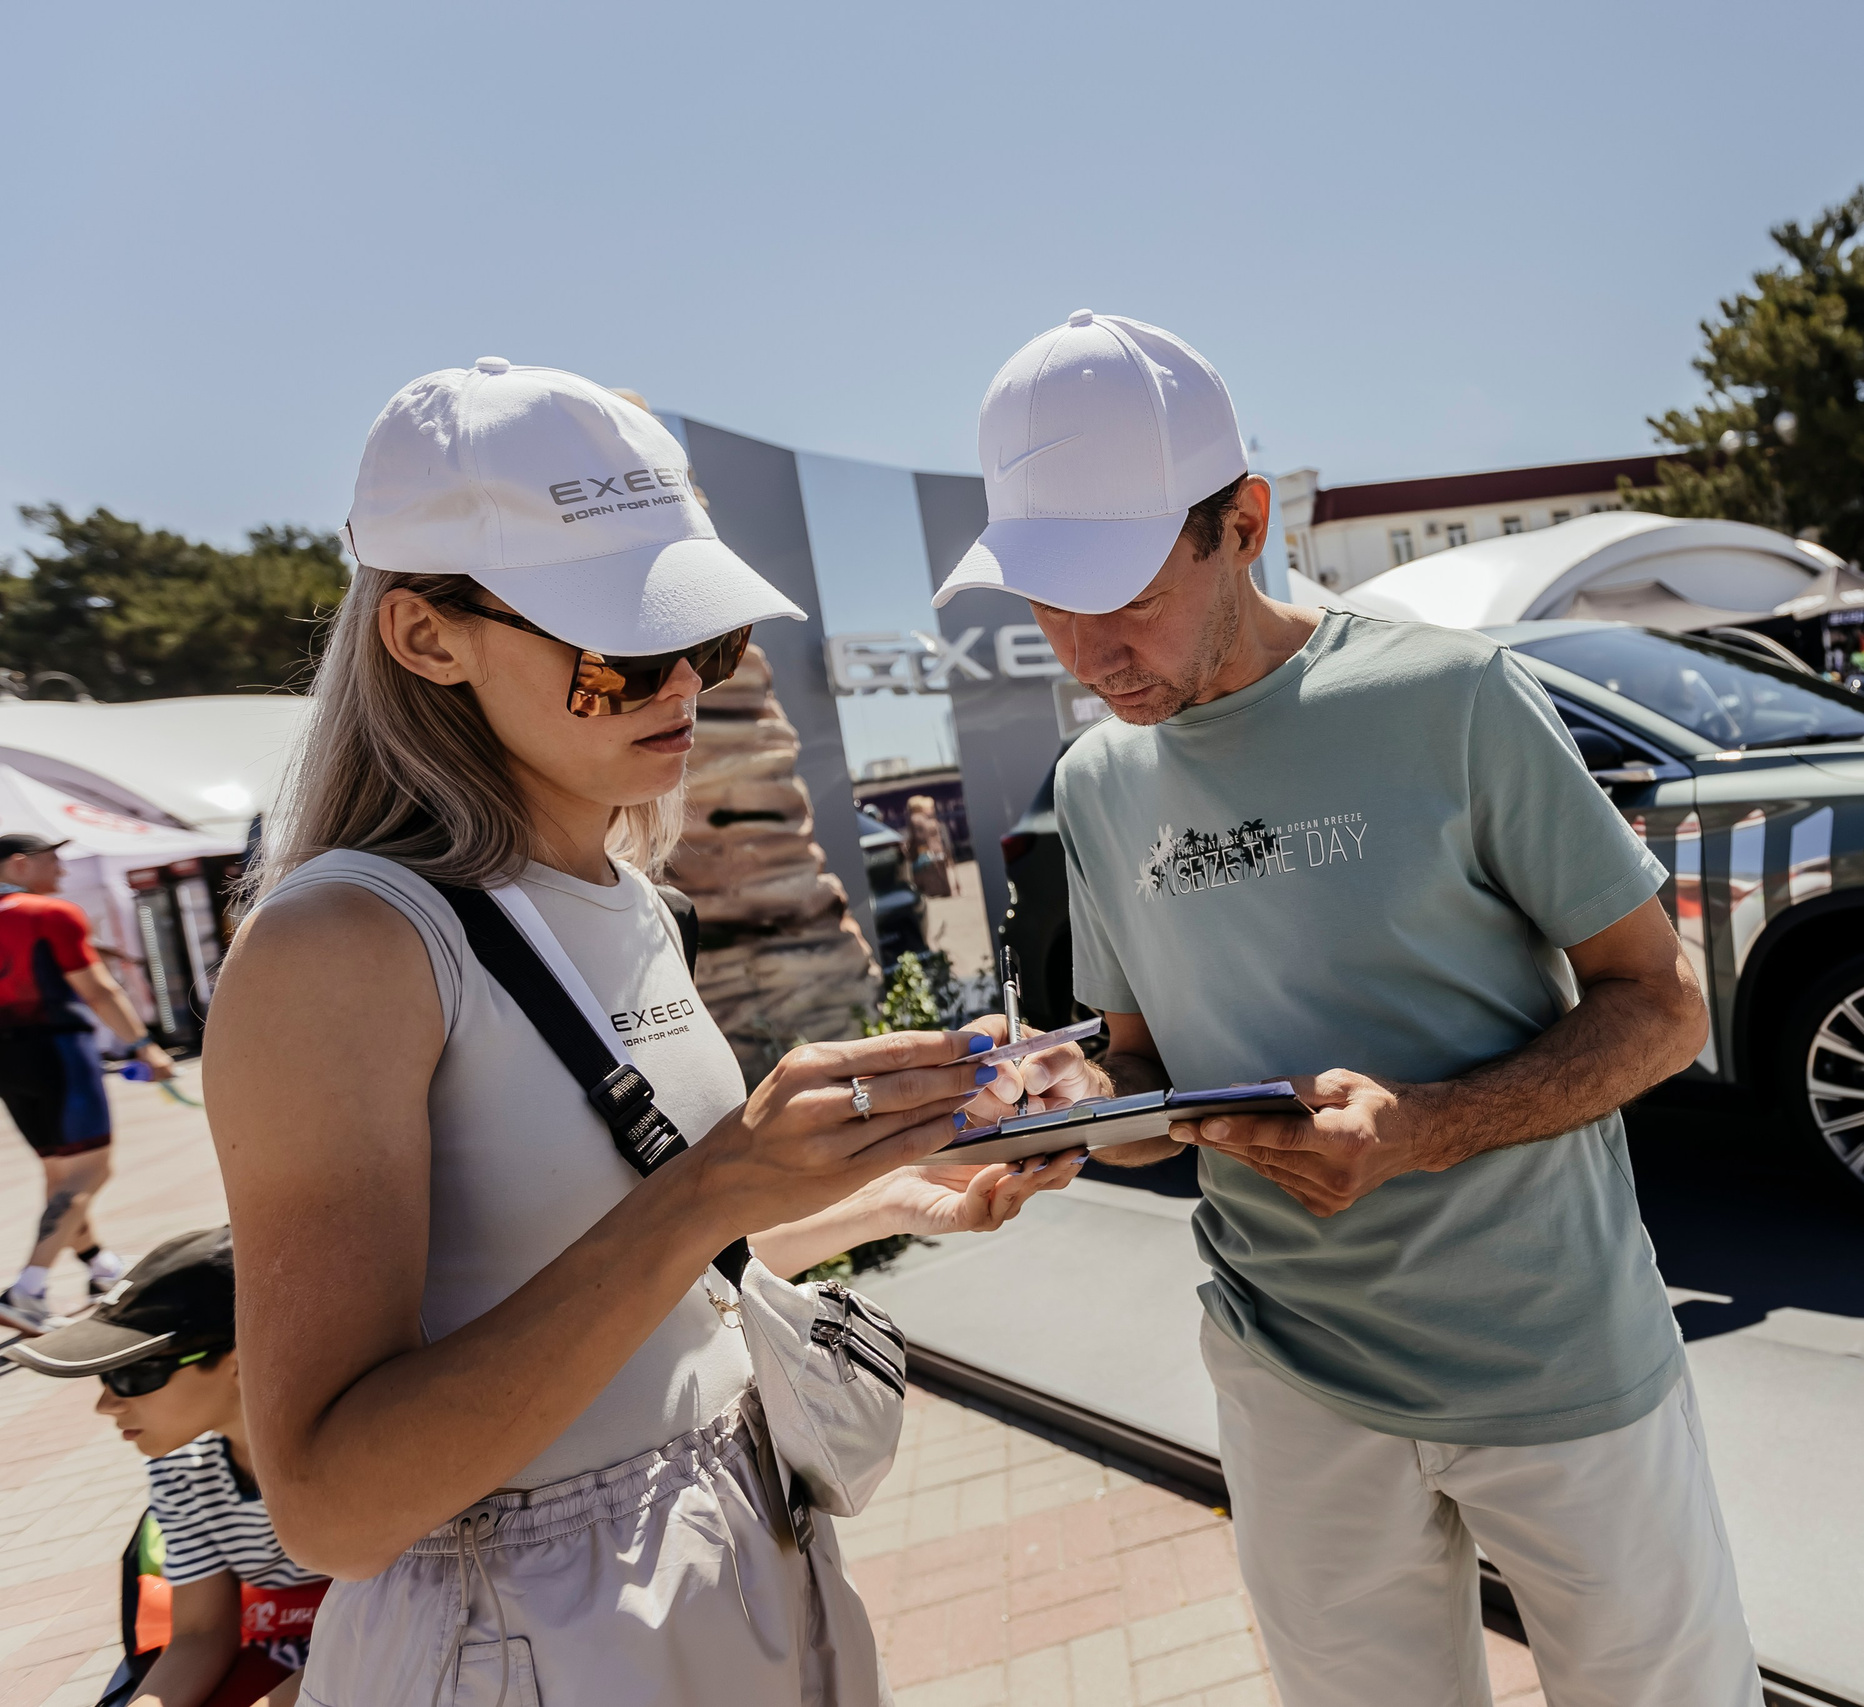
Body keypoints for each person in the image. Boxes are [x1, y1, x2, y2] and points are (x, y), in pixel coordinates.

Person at [203, 360, 1095, 1706]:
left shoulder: (618, 887)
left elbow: (654, 1272)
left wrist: (920, 1186)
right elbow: (330, 1505)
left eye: (707, 638)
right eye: (619, 651)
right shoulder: (344, 944)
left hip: (739, 1537)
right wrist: (714, 1181)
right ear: (425, 637)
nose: (680, 683)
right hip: (529, 1617)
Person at [929, 311, 1759, 1706]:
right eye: (1045, 603)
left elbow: (1663, 1004)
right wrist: (1083, 1108)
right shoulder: (1095, 784)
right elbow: (1144, 1077)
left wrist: (1428, 1123)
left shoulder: (1452, 694)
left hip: (1558, 1359)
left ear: (1241, 521)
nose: (1085, 649)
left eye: (1121, 590)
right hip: (1287, 1374)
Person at [5, 1227, 324, 1707]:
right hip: (282, 1645)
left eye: (132, 1373)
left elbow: (389, 1634)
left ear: (240, 1363)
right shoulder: (182, 1469)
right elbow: (200, 1633)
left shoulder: (346, 1452)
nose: (106, 1404)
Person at [0, 832, 177, 1333]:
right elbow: (98, 990)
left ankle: (100, 1266)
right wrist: (144, 1045)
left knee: (62, 1174)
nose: (61, 869)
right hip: (59, 1051)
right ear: (18, 865)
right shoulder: (48, 914)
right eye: (51, 859)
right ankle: (27, 1289)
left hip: (9, 1063)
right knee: (88, 1174)